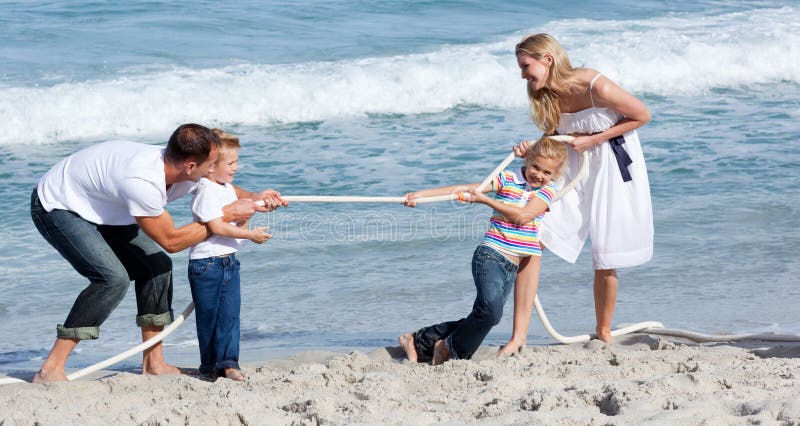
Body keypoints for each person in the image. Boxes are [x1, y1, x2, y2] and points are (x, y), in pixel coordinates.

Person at [30, 123, 287, 383]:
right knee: (112, 280)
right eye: (210, 165)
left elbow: (219, 186)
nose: (213, 170)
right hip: (60, 205)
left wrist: (255, 198)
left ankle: (154, 363)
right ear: (190, 167)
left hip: (108, 207)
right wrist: (228, 214)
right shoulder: (143, 182)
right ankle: (51, 368)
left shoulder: (186, 166)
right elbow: (172, 241)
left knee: (157, 267)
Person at [503, 33, 653, 348]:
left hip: (612, 163)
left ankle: (604, 331)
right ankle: (519, 336)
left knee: (605, 253)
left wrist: (596, 138)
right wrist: (532, 148)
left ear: (547, 59)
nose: (523, 76)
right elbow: (556, 139)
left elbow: (642, 115)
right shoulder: (547, 95)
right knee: (535, 236)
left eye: (526, 66)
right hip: (571, 167)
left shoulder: (594, 85)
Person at [398, 137, 568, 364]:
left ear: (554, 175)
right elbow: (468, 189)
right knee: (489, 312)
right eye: (535, 166)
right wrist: (422, 195)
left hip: (514, 265)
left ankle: (419, 341)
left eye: (546, 172)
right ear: (527, 159)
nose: (538, 174)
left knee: (488, 316)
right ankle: (447, 350)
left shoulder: (547, 191)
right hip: (491, 257)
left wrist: (486, 202)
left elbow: (524, 217)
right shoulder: (507, 178)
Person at [187, 129, 271, 381]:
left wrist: (253, 210)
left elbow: (233, 225)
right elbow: (216, 227)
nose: (235, 167)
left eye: (236, 162)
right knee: (209, 318)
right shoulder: (205, 190)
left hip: (228, 261)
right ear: (210, 166)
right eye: (230, 163)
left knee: (230, 315)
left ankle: (229, 364)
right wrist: (250, 235)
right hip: (206, 264)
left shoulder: (225, 188)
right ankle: (211, 366)